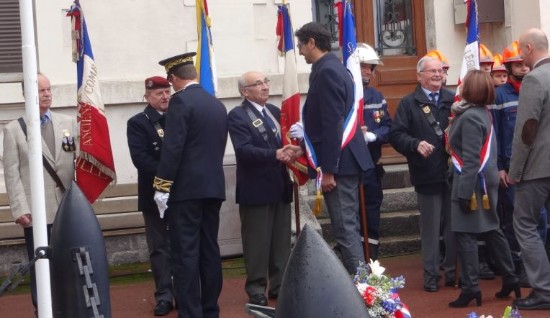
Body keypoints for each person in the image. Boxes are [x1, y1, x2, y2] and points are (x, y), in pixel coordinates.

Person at [293, 22, 373, 274]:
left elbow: (331, 123)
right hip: (345, 160)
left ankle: (363, 292)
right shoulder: (330, 68)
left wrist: (328, 170)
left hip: (340, 165)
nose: (299, 51)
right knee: (347, 227)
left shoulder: (327, 71)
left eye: (301, 45)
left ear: (312, 43)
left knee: (345, 228)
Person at [152, 52, 228, 318]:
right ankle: (211, 310)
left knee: (185, 254)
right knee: (209, 251)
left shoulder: (180, 103)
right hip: (213, 187)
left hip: (186, 192)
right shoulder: (215, 104)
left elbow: (173, 148)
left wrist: (162, 186)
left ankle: (191, 313)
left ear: (173, 78)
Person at [2, 73, 77, 314]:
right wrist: (19, 208)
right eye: (41, 90)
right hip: (36, 211)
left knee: (67, 261)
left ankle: (67, 305)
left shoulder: (68, 122)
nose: (47, 93)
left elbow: (77, 162)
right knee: (40, 264)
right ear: (27, 95)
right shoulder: (14, 130)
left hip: (67, 206)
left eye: (49, 89)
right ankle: (43, 308)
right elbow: (11, 172)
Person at [227, 71, 301, 306]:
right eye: (258, 83)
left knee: (280, 241)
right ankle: (256, 288)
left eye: (266, 82)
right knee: (257, 242)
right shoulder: (237, 115)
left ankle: (279, 285)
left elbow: (286, 142)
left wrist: (294, 150)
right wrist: (275, 154)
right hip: (255, 188)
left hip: (280, 185)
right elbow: (243, 150)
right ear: (244, 91)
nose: (265, 87)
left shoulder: (274, 112)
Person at [447, 70, 519, 308]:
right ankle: (510, 277)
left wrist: (464, 193)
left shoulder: (468, 118)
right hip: (486, 181)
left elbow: (470, 160)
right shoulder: (481, 113)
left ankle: (470, 288)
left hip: (473, 183)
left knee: (465, 234)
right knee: (492, 228)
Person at [389, 56, 456, 292]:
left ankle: (452, 273)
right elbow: (396, 135)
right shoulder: (408, 103)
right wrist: (415, 144)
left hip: (453, 173)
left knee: (453, 227)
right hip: (426, 174)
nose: (438, 75)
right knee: (430, 229)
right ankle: (430, 276)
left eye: (441, 71)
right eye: (432, 71)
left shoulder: (453, 99)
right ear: (419, 76)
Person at [490, 40, 545, 288]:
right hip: (516, 168)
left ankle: (540, 278)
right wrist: (502, 167)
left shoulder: (537, 83)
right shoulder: (500, 95)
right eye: (516, 65)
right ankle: (521, 268)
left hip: (534, 168)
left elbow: (531, 132)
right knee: (520, 221)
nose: (522, 68)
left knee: (534, 223)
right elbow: (499, 134)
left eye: (523, 62)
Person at [509, 28, 550, 310]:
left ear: (527, 49)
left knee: (524, 224)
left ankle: (544, 290)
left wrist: (515, 171)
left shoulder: (534, 79)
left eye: (521, 50)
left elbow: (526, 131)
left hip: (538, 167)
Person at [127, 76, 174, 316]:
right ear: (147, 96)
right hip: (154, 194)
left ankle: (184, 291)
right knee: (159, 247)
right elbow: (141, 159)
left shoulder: (178, 118)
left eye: (167, 92)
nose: (165, 96)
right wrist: (168, 178)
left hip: (182, 193)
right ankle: (164, 295)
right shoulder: (138, 123)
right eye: (159, 93)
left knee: (182, 244)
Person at [356, 43, 392, 260]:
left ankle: (372, 260)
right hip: (349, 167)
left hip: (371, 165)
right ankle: (354, 260)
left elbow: (388, 126)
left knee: (371, 214)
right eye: (363, 66)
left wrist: (374, 136)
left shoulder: (376, 96)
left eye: (370, 67)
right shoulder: (343, 94)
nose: (368, 71)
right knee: (352, 216)